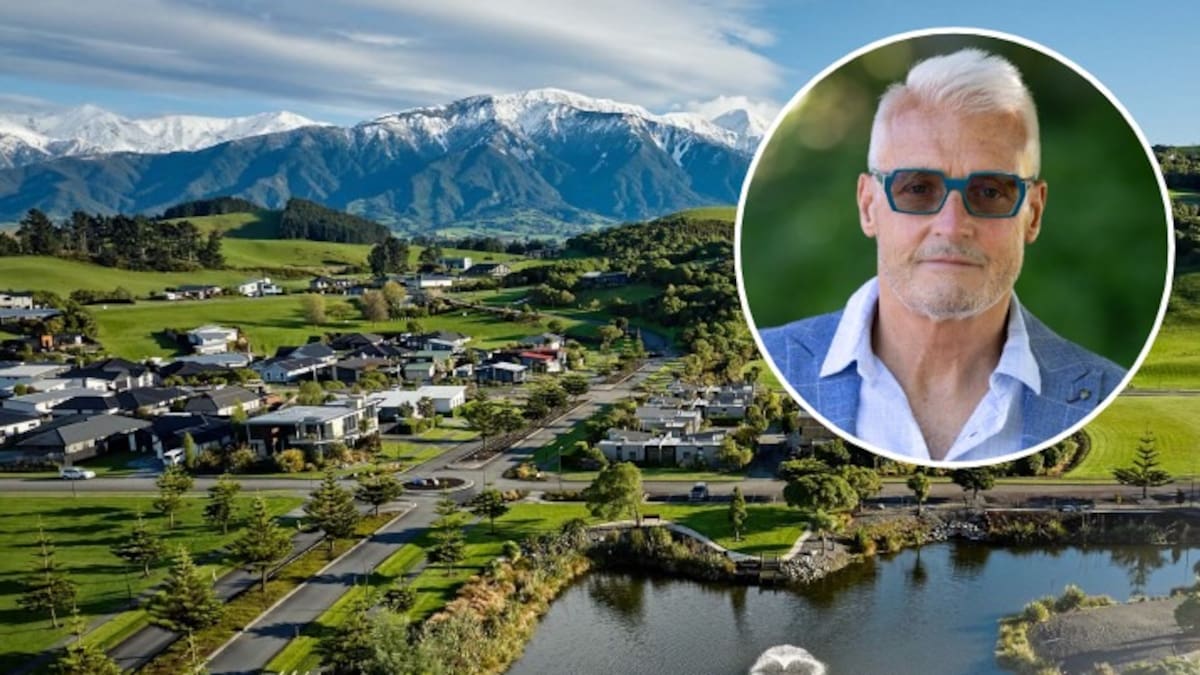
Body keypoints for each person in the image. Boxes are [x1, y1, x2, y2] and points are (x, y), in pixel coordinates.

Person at [759, 48, 1125, 464]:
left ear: (1034, 214)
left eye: (989, 192)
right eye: (917, 188)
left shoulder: (1107, 391)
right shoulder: (774, 363)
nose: (951, 226)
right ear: (868, 205)